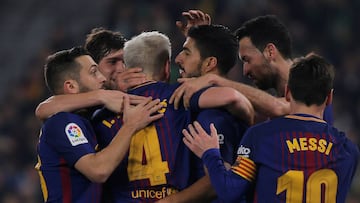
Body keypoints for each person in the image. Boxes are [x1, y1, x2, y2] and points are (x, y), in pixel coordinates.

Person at [92, 31, 253, 202]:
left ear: (127, 68)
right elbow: (231, 97)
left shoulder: (100, 115)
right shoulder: (181, 98)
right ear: (167, 67)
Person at [182, 54, 360, 202]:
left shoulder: (260, 136)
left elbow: (229, 191)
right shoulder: (348, 150)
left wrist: (210, 153)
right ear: (329, 98)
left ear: (288, 92)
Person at [35, 47, 164, 202]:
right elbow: (99, 170)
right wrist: (131, 125)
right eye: (93, 72)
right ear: (71, 87)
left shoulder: (86, 118)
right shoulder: (63, 122)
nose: (102, 78)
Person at [169, 15, 334, 124]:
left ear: (270, 51)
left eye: (247, 60)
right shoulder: (272, 101)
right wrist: (204, 44)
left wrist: (214, 79)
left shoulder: (311, 81)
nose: (245, 71)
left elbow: (278, 107)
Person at [159, 24, 253, 203]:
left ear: (210, 63)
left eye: (187, 52)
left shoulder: (214, 115)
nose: (178, 58)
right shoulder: (205, 103)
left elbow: (216, 184)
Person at [35, 28, 147, 120]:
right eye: (112, 62)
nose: (121, 68)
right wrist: (102, 96)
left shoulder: (137, 90)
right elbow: (43, 110)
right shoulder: (84, 107)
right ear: (94, 64)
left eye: (124, 62)